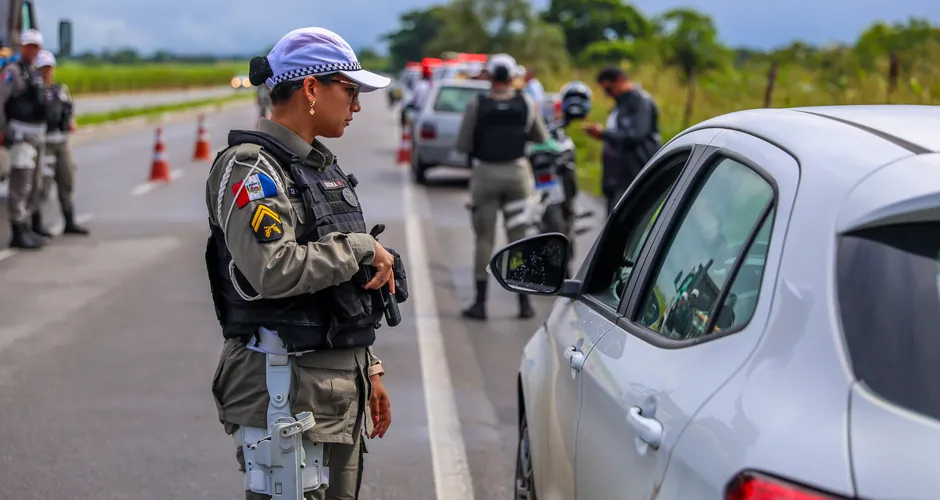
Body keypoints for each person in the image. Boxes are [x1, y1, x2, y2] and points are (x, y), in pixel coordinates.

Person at [204, 27, 407, 500]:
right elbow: (273, 270)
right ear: (312, 88)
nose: (357, 105)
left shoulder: (315, 166)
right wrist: (360, 247)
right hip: (285, 391)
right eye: (351, 91)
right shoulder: (252, 169)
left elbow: (336, 290)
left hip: (330, 389)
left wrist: (368, 367)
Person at [455, 53, 550, 320]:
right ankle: (524, 304)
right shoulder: (526, 103)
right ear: (512, 77)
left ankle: (480, 303)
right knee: (518, 239)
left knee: (483, 239)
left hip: (485, 173)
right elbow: (540, 136)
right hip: (517, 173)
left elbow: (463, 143)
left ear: (490, 76)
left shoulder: (478, 105)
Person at [581, 67, 661, 214]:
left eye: (608, 88)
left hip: (633, 172)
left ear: (619, 81)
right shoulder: (620, 104)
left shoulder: (640, 102)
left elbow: (636, 135)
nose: (607, 93)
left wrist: (604, 134)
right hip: (616, 176)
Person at [0, 29, 48, 249]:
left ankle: (26, 225)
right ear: (22, 47)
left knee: (35, 184)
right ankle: (18, 229)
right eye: (28, 46)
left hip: (36, 135)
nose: (32, 50)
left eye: (35, 47)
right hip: (20, 135)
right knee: (21, 183)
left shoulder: (34, 73)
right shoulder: (13, 71)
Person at [33, 49, 89, 236]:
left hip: (62, 141)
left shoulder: (61, 91)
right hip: (44, 141)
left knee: (67, 179)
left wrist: (71, 121)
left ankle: (69, 221)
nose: (46, 72)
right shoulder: (34, 91)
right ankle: (37, 224)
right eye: (42, 68)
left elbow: (69, 110)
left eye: (49, 68)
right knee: (42, 184)